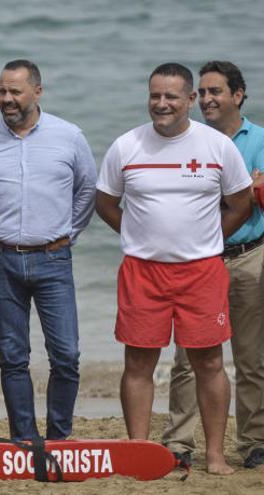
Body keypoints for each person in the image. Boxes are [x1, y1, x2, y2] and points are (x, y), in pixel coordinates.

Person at [96, 62, 252, 475]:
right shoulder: (126, 146)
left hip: (201, 271)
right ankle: (137, 449)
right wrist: (137, 234)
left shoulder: (216, 146)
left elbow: (241, 202)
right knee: (139, 362)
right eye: (154, 96)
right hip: (142, 271)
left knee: (209, 363)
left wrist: (208, 239)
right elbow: (105, 202)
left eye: (170, 97)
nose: (161, 104)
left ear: (189, 100)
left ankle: (215, 455)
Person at [0, 59, 97, 441]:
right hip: (0, 259)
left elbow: (87, 190)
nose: (7, 99)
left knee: (66, 356)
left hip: (54, 257)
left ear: (37, 91)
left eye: (15, 91)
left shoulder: (69, 136)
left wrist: (68, 233)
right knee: (13, 357)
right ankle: (25, 438)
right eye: (2, 91)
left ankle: (57, 436)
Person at [160, 61, 264, 471]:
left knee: (251, 356)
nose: (206, 100)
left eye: (215, 91)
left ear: (238, 95)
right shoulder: (189, 139)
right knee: (188, 358)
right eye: (201, 92)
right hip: (196, 260)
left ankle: (254, 441)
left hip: (247, 256)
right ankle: (178, 441)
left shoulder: (259, 139)